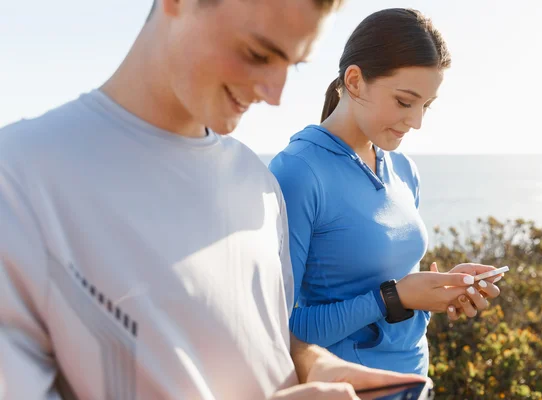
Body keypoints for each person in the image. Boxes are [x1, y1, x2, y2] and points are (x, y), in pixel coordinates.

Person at [0, 1, 430, 399]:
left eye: (292, 65)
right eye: (259, 54)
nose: (274, 93)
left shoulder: (256, 184)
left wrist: (309, 362)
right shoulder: (19, 178)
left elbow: (262, 338)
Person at [269, 8, 502, 377]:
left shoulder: (403, 169)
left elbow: (398, 288)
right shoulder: (298, 171)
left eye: (426, 105)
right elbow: (277, 329)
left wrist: (440, 291)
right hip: (350, 387)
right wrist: (393, 297)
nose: (417, 122)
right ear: (355, 80)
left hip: (413, 379)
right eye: (405, 102)